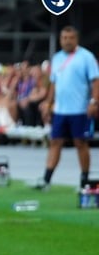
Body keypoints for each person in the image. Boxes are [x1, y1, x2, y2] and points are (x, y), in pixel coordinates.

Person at [34, 26, 99, 190]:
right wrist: (48, 104)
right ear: (60, 39)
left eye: (70, 38)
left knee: (80, 143)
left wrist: (94, 101)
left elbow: (96, 81)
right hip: (60, 110)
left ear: (76, 39)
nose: (67, 41)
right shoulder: (56, 58)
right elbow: (54, 84)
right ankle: (46, 179)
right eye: (64, 38)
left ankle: (84, 180)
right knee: (55, 142)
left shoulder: (86, 57)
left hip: (79, 109)